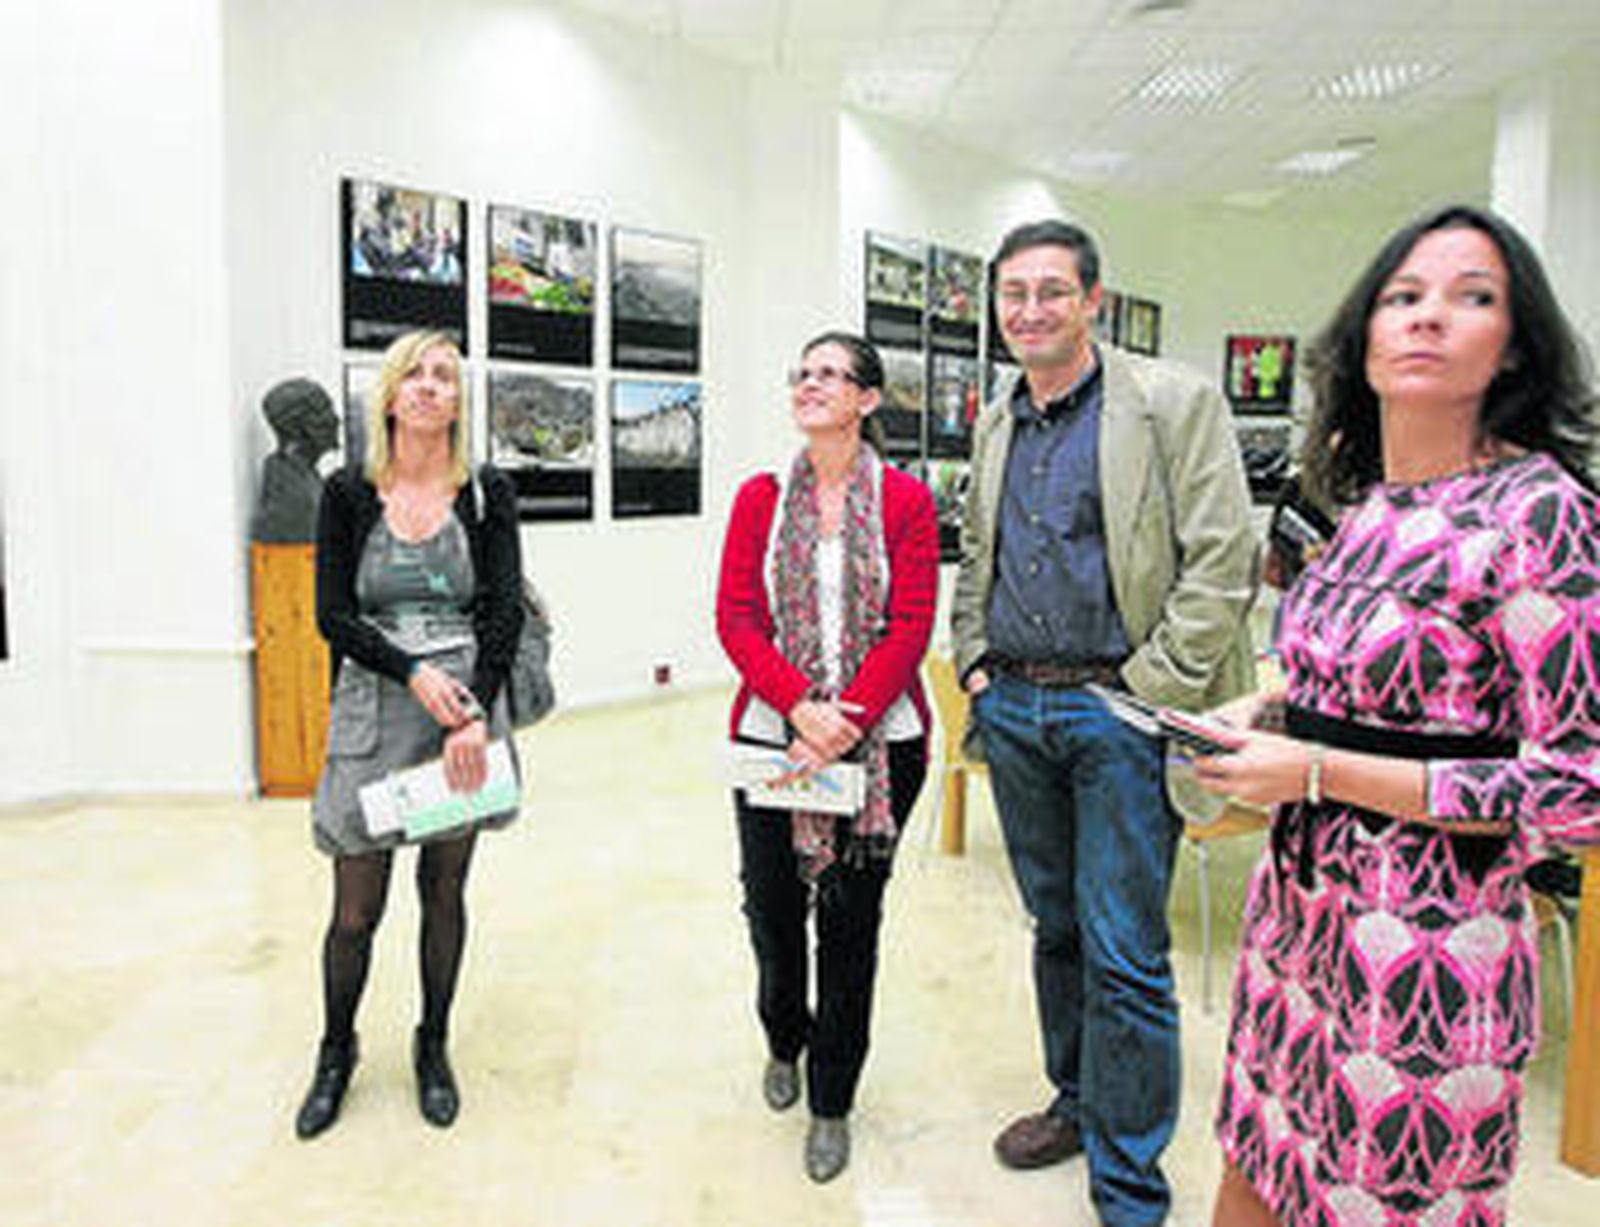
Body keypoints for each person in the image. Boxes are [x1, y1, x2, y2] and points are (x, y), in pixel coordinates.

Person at [1195, 204, 1600, 1227]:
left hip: (1421, 959)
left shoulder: (1539, 512)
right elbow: (1365, 692)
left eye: (1471, 298)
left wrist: (1318, 775)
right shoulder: (1369, 506)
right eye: (1402, 296)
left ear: (1513, 346)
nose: (1427, 318)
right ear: (1363, 337)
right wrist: (1274, 706)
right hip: (1297, 928)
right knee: (1252, 1165)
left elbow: (1577, 792)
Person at [951, 219, 1258, 1225]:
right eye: (1012, 294)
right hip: (1020, 708)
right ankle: (1075, 1103)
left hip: (1119, 715)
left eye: (1049, 291)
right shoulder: (998, 417)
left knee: (1125, 950)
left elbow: (1223, 562)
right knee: (1057, 929)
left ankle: (1128, 1183)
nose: (1028, 310)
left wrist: (1150, 694)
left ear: (1091, 300)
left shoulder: (1171, 402)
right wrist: (976, 669)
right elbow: (976, 553)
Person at [715, 331, 938, 1183]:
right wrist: (800, 708)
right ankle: (784, 1039)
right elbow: (738, 617)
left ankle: (832, 1099)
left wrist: (845, 717)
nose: (810, 385)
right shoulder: (760, 497)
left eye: (830, 374)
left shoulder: (908, 502)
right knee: (773, 912)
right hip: (772, 738)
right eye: (801, 373)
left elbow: (909, 624)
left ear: (868, 399)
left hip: (882, 749)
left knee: (850, 925)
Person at [294, 330, 524, 1139]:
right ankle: (336, 1049)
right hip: (376, 709)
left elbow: (502, 614)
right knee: (356, 907)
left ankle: (432, 1044)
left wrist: (469, 711)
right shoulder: (347, 492)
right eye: (415, 375)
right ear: (389, 394)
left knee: (443, 892)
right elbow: (332, 614)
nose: (430, 387)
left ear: (459, 400)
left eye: (446, 377)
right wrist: (412, 673)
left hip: (460, 718)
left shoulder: (486, 490)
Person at [251, 377, 340, 543]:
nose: (336, 420)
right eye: (324, 412)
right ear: (298, 427)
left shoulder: (308, 477)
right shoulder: (294, 493)